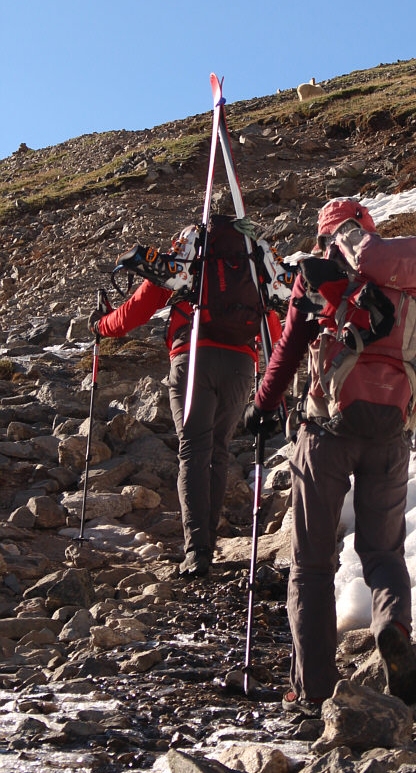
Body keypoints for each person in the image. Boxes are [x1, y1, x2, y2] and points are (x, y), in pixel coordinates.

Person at [244, 198, 416, 714]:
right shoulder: (405, 284)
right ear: (368, 231)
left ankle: (313, 689)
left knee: (312, 564)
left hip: (326, 432)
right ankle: (392, 624)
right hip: (391, 435)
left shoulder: (319, 275)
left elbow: (289, 348)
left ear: (326, 235)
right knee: (383, 553)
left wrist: (262, 406)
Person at [89, 221, 281, 578]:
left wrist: (100, 326)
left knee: (193, 450)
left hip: (192, 358)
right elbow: (272, 326)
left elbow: (135, 311)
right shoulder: (251, 264)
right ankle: (209, 541)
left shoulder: (188, 258)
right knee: (218, 451)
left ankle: (197, 551)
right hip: (241, 364)